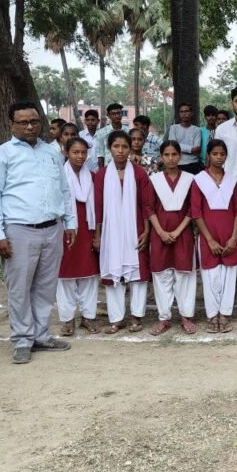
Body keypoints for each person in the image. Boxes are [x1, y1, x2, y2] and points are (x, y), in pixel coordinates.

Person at [0, 102, 77, 364]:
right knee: (20, 288)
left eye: (34, 121)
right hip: (18, 230)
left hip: (52, 228)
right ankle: (22, 340)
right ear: (11, 124)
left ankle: (41, 335)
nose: (29, 126)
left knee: (46, 287)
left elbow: (64, 190)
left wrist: (70, 223)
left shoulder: (51, 153)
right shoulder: (0, 156)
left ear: (41, 123)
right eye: (23, 122)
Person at [93, 130, 152, 334]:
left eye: (124, 147)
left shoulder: (139, 173)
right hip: (111, 231)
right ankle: (116, 318)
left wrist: (146, 230)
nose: (120, 151)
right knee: (113, 272)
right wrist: (98, 233)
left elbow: (146, 205)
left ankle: (136, 316)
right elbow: (98, 207)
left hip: (135, 228)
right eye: (116, 146)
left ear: (130, 149)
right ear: (109, 148)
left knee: (138, 272)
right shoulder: (101, 176)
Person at [148, 140, 197, 336]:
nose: (170, 158)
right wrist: (160, 231)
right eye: (166, 155)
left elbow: (193, 209)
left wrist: (177, 232)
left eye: (174, 154)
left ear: (180, 156)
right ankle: (164, 318)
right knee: (161, 275)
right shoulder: (155, 180)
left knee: (184, 274)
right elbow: (149, 208)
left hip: (182, 232)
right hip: (160, 233)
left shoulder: (190, 179)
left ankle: (186, 316)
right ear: (161, 157)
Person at [192, 139, 237, 333]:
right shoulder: (199, 180)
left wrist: (234, 237)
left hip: (229, 235)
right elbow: (196, 213)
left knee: (229, 276)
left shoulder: (231, 180)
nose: (219, 157)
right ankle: (212, 315)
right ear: (208, 156)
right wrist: (209, 239)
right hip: (208, 236)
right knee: (211, 276)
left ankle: (225, 315)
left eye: (222, 154)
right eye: (215, 154)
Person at [56, 137, 99, 337]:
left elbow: (98, 207)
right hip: (66, 230)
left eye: (83, 152)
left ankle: (88, 318)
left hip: (87, 228)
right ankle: (67, 319)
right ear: (66, 152)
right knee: (65, 277)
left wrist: (97, 233)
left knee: (89, 276)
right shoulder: (58, 176)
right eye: (75, 152)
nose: (80, 156)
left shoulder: (92, 176)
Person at [168, 103, 203, 174]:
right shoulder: (173, 128)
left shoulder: (197, 130)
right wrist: (191, 149)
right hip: (177, 163)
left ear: (191, 113)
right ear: (179, 114)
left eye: (186, 111)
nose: (184, 114)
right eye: (181, 112)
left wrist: (179, 147)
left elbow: (197, 149)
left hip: (193, 164)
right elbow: (173, 146)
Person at [97, 102, 129, 169]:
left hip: (126, 167)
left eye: (118, 113)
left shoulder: (128, 131)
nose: (117, 116)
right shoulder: (101, 133)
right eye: (113, 114)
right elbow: (100, 154)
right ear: (108, 115)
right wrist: (102, 172)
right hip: (108, 167)